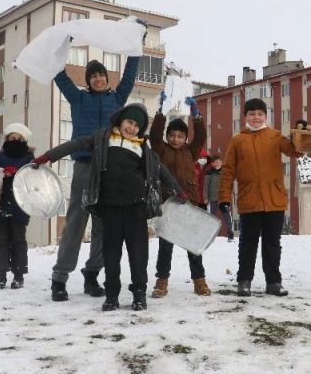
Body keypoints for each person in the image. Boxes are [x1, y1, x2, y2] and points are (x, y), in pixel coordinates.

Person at [32, 103, 181, 311]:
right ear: (120, 121)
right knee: (111, 253)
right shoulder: (102, 139)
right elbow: (74, 145)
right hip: (109, 206)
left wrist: (177, 189)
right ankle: (111, 296)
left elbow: (160, 169)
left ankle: (139, 294)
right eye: (129, 122)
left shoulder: (142, 147)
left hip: (136, 207)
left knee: (138, 253)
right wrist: (47, 157)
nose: (132, 128)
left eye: (137, 126)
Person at [49, 53, 141, 301]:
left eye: (101, 75)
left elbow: (130, 77)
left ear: (107, 78)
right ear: (88, 81)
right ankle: (59, 278)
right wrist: (59, 49)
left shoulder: (118, 99)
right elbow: (60, 76)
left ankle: (92, 274)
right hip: (84, 166)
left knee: (104, 225)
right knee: (75, 224)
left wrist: (135, 49)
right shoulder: (78, 98)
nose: (98, 79)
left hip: (109, 168)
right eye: (93, 76)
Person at [218, 98, 300, 297]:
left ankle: (273, 282)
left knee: (272, 244)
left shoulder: (275, 136)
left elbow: (295, 150)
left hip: (274, 200)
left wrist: (300, 131)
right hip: (250, 200)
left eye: (260, 114)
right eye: (252, 114)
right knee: (248, 243)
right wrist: (224, 197)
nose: (256, 117)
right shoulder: (238, 140)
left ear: (266, 116)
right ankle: (244, 281)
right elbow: (228, 170)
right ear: (245, 116)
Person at [148, 96, 211, 298]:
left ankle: (199, 281)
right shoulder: (160, 149)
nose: (176, 139)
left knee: (193, 245)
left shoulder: (190, 152)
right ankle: (162, 281)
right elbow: (155, 135)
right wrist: (161, 111)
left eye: (180, 136)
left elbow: (200, 135)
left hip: (189, 204)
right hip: (168, 205)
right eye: (172, 135)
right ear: (168, 137)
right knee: (165, 247)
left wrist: (196, 114)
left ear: (185, 138)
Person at [0, 123, 35, 290]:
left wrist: (17, 173)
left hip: (20, 206)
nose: (15, 140)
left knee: (18, 241)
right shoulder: (1, 156)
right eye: (12, 138)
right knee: (0, 241)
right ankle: (1, 275)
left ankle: (18, 275)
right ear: (7, 139)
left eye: (19, 139)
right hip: (0, 205)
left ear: (24, 141)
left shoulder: (29, 158)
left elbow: (32, 178)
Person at [203, 155, 234, 242]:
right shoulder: (209, 172)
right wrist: (206, 197)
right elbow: (206, 186)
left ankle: (230, 235)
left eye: (217, 162)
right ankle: (210, 236)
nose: (216, 164)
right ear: (212, 164)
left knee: (227, 216)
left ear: (220, 161)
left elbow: (230, 183)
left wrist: (230, 193)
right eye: (214, 163)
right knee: (212, 217)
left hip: (224, 198)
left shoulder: (225, 171)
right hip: (213, 198)